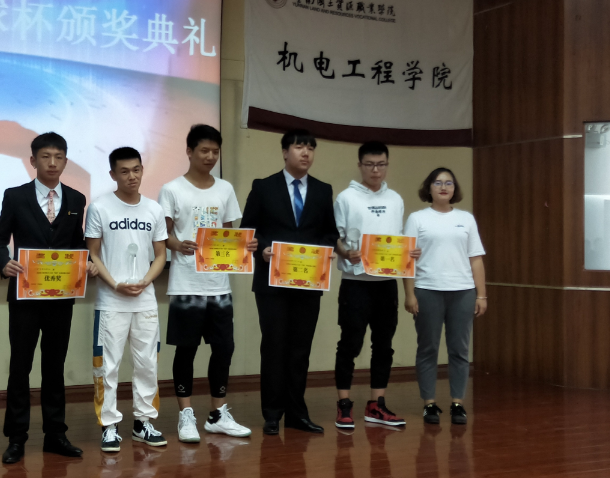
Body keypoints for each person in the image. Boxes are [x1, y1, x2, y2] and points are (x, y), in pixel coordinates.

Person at [0, 132, 94, 464]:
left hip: (61, 297)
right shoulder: (15, 196)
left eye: (58, 157)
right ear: (33, 161)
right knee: (20, 366)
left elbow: (77, 243)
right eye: (46, 157)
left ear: (65, 161)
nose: (52, 163)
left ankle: (55, 434)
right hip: (24, 296)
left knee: (54, 366)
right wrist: (3, 262)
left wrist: (87, 261)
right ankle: (17, 438)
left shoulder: (76, 199)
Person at [158, 124, 256, 443]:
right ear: (189, 152)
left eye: (215, 151)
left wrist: (245, 246)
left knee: (224, 348)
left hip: (219, 285)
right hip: (186, 284)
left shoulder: (225, 189)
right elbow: (162, 234)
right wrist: (177, 244)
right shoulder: (172, 189)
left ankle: (217, 414)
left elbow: (228, 233)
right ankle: (186, 415)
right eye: (204, 150)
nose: (210, 156)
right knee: (186, 350)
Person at [240, 129, 339, 436]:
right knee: (274, 346)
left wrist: (325, 251)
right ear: (285, 152)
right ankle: (272, 413)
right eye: (299, 147)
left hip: (308, 282)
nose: (305, 153)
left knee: (300, 349)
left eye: (310, 148)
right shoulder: (263, 187)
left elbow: (330, 233)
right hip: (272, 283)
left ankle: (297, 413)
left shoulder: (322, 190)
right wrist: (263, 249)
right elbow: (248, 230)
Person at [86, 147, 169, 452]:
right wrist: (115, 284)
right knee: (107, 366)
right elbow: (93, 253)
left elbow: (160, 255)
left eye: (136, 170)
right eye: (124, 171)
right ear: (113, 174)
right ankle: (109, 425)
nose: (131, 176)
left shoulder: (154, 210)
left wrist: (146, 280)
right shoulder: (100, 208)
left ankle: (143, 422)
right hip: (111, 301)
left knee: (147, 364)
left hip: (145, 301)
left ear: (142, 170)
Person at [332, 141, 419, 429]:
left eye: (381, 164)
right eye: (369, 164)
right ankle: (344, 404)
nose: (375, 170)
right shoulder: (346, 198)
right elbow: (335, 237)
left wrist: (410, 253)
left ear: (387, 165)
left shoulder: (395, 199)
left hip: (386, 284)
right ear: (360, 165)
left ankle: (376, 405)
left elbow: (399, 240)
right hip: (355, 282)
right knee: (350, 343)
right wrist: (346, 252)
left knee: (384, 345)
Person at [402, 167, 487, 425]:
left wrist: (481, 295)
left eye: (449, 183)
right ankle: (429, 404)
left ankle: (457, 403)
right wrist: (409, 294)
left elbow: (476, 259)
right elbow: (407, 259)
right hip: (427, 290)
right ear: (429, 188)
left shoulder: (466, 219)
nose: (443, 187)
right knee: (428, 348)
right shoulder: (417, 219)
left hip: (463, 291)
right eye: (438, 183)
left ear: (454, 189)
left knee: (459, 350)